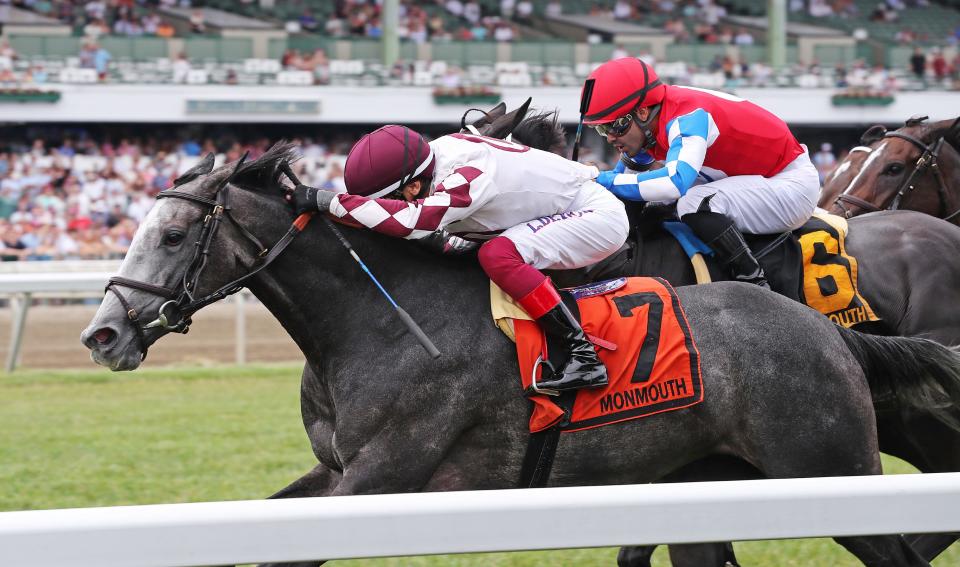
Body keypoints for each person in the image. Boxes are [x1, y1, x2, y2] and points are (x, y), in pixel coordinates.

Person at [288, 125, 629, 393]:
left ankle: (584, 356)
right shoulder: (435, 159)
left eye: (392, 197)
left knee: (498, 255)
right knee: (458, 249)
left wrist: (327, 200)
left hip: (595, 216)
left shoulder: (470, 173)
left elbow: (414, 222)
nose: (393, 202)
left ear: (411, 188)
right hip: (551, 211)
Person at [584, 57, 820, 288]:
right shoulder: (651, 124)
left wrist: (597, 176)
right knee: (656, 199)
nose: (611, 137)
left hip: (790, 185)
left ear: (643, 113)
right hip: (755, 178)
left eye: (616, 126)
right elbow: (622, 184)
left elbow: (673, 183)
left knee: (691, 202)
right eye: (602, 130)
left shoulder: (687, 118)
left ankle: (753, 279)